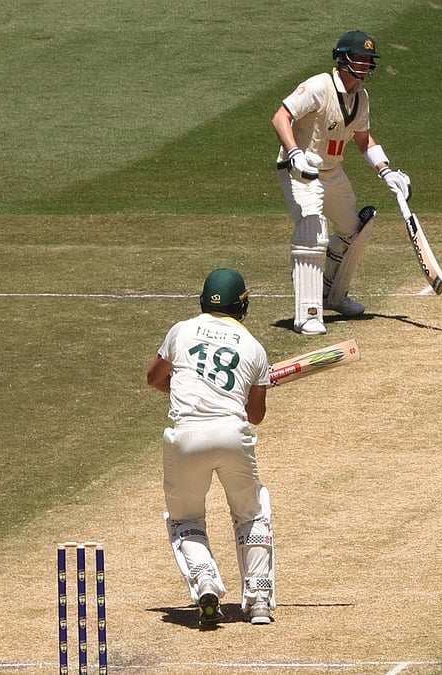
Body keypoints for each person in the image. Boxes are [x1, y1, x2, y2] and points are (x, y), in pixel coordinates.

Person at [147, 268, 276, 626]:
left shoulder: (181, 330)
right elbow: (256, 414)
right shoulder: (253, 347)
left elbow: (155, 378)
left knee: (186, 519)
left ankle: (205, 579)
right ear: (242, 305)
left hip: (185, 435)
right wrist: (253, 387)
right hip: (232, 436)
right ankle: (259, 598)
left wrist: (192, 394)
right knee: (252, 513)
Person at [271, 29, 412, 336]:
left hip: (332, 172)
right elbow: (280, 117)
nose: (364, 66)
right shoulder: (320, 86)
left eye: (368, 60)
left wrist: (387, 171)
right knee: (312, 232)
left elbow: (363, 139)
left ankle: (334, 295)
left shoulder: (360, 97)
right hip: (301, 170)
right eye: (359, 58)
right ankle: (307, 314)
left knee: (357, 229)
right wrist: (295, 153)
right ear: (343, 58)